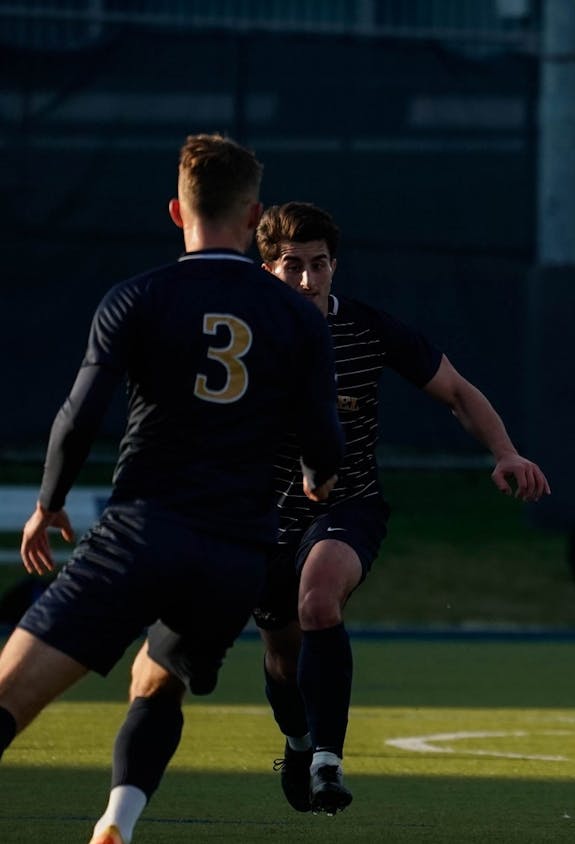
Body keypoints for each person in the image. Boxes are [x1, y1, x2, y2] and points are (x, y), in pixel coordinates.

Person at [0, 134, 344, 844]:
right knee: (157, 682)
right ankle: (116, 821)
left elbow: (80, 415)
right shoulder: (296, 318)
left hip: (143, 532)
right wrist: (316, 476)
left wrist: (49, 503)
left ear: (175, 211)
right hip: (234, 557)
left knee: (9, 695)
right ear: (254, 219)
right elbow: (324, 443)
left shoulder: (140, 297)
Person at [244, 201, 550, 815]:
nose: (308, 281)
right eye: (293, 267)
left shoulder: (368, 329)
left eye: (320, 265)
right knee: (282, 651)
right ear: (267, 268)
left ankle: (328, 761)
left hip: (348, 505)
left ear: (336, 266)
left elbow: (458, 393)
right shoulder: (242, 338)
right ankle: (299, 743)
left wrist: (506, 452)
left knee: (319, 599)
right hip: (263, 518)